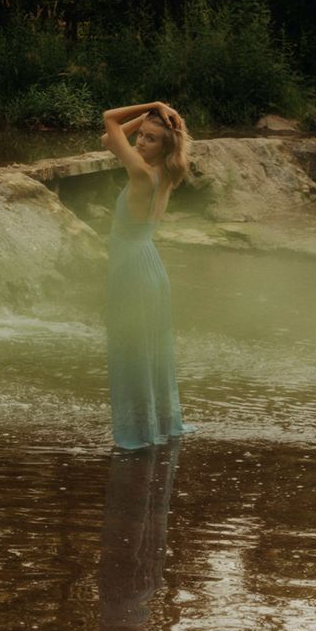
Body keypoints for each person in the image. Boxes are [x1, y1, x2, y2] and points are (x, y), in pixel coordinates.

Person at [100, 100, 196, 451]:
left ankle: (137, 434)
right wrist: (156, 120)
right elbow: (109, 141)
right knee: (148, 349)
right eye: (140, 136)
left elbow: (109, 121)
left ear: (164, 146)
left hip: (131, 269)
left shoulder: (141, 173)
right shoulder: (168, 173)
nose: (140, 143)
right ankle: (158, 427)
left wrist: (153, 107)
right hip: (150, 265)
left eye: (151, 139)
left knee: (130, 349)